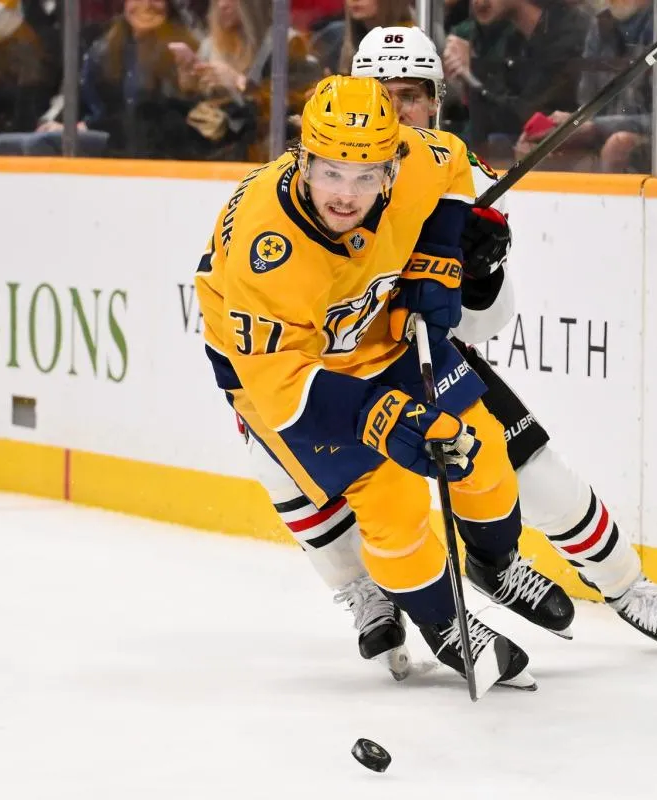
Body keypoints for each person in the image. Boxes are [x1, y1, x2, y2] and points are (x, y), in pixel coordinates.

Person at [249, 25, 657, 681]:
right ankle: (372, 596)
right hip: (319, 365)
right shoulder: (330, 183)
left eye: (413, 96)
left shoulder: (445, 170)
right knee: (298, 467)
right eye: (384, 92)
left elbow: (488, 322)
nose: (399, 109)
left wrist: (481, 271)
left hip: (418, 351)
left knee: (532, 469)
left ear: (436, 102)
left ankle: (622, 585)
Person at [194, 74, 575, 696]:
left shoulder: (416, 158)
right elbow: (284, 387)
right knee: (391, 498)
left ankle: (495, 563)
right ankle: (447, 626)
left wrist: (437, 255)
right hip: (280, 366)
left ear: (392, 166)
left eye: (366, 175)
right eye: (332, 173)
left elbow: (452, 165)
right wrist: (383, 416)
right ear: (304, 159)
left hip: (371, 325)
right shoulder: (269, 252)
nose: (347, 195)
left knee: (477, 447)